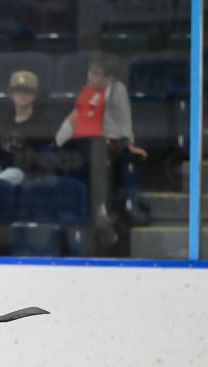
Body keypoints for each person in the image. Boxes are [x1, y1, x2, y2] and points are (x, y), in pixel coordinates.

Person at [55, 52, 148, 252]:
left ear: (110, 78)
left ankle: (100, 210)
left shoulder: (117, 90)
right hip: (86, 142)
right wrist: (59, 140)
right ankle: (91, 209)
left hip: (110, 140)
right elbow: (75, 116)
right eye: (91, 72)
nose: (91, 77)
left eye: (97, 74)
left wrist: (130, 142)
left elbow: (124, 117)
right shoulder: (87, 90)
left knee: (96, 147)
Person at [0, 70, 55, 185]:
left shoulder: (45, 125)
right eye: (17, 90)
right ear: (11, 93)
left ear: (35, 94)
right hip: (4, 177)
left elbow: (46, 157)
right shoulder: (2, 123)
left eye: (27, 91)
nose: (22, 94)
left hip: (34, 179)